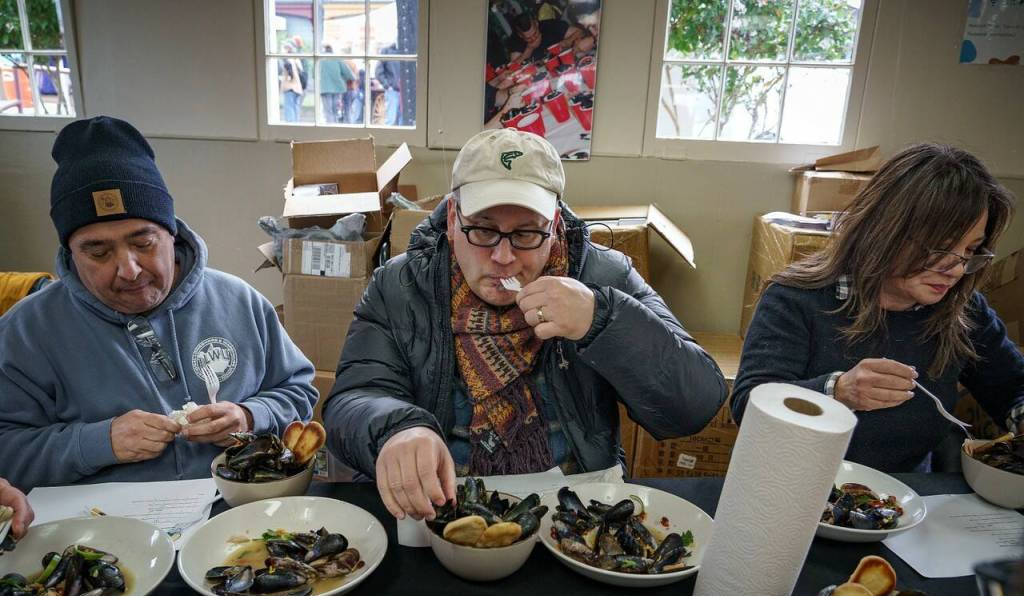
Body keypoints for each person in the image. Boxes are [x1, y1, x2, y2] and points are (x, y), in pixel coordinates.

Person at [324, 129, 727, 520]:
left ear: (554, 227)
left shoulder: (605, 277)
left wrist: (602, 321)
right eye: (483, 229)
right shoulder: (400, 286)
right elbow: (353, 398)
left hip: (577, 518)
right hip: (435, 511)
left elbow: (693, 406)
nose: (503, 256)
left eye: (527, 233)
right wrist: (397, 429)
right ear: (452, 219)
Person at [0, 116, 317, 487]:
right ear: (71, 253)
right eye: (98, 252)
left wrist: (250, 415)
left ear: (172, 233)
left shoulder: (239, 302)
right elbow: (7, 450)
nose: (129, 270)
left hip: (235, 511)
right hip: (101, 528)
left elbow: (299, 392)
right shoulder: (26, 332)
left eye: (143, 243)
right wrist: (96, 444)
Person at [732, 143, 1024, 472]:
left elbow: (1013, 388)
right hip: (794, 484)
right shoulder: (796, 299)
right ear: (884, 230)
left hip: (909, 497)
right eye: (941, 247)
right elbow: (750, 404)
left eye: (970, 250)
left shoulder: (964, 311)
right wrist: (835, 390)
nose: (956, 268)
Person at [506, 11, 582, 64]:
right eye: (528, 38)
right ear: (520, 35)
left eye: (535, 33)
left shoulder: (549, 25)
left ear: (536, 23)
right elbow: (514, 68)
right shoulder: (515, 40)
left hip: (566, 62)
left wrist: (568, 41)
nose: (533, 39)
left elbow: (579, 32)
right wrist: (529, 49)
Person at [320, 45, 353, 123]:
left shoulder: (320, 59)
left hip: (325, 88)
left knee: (328, 111)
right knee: (335, 111)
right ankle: (335, 127)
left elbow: (314, 74)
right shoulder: (337, 59)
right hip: (338, 88)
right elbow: (348, 73)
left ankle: (330, 130)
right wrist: (348, 78)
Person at [279, 41, 305, 122]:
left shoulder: (287, 61)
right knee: (295, 108)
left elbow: (289, 74)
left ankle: (290, 127)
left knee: (289, 108)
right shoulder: (296, 60)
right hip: (298, 88)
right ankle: (296, 126)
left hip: (289, 87)